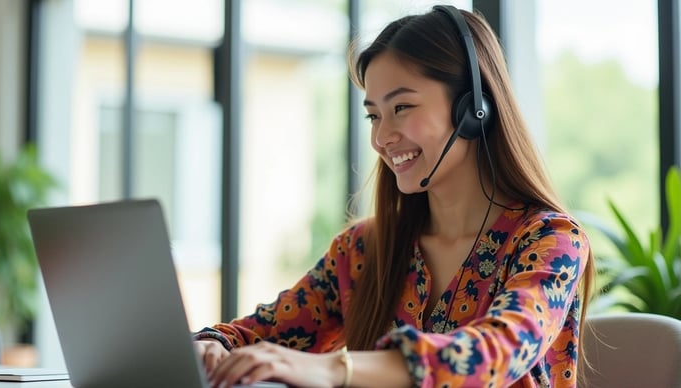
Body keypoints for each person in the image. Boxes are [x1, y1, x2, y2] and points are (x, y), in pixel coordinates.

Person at [194, 5, 595, 388]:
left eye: (402, 107)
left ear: (473, 109)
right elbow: (260, 334)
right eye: (374, 115)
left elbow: (497, 351)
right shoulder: (361, 251)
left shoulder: (551, 241)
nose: (381, 137)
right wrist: (214, 346)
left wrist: (336, 368)